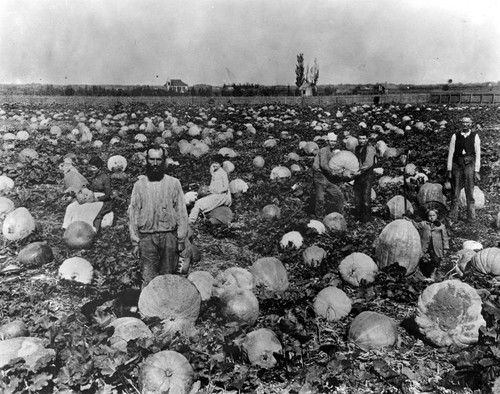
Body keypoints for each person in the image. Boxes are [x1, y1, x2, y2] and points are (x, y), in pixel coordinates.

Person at [129, 146, 189, 286]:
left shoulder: (174, 183)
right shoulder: (139, 185)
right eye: (152, 159)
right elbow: (133, 214)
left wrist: (181, 239)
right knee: (148, 278)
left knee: (167, 278)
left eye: (158, 159)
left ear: (164, 161)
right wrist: (135, 241)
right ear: (147, 161)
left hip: (169, 236)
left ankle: (166, 306)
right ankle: (148, 306)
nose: (155, 163)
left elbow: (181, 212)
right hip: (147, 238)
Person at [446, 116, 481, 222]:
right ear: (461, 124)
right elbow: (451, 153)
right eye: (463, 123)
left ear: (471, 124)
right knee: (455, 192)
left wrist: (476, 170)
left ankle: (471, 217)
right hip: (457, 164)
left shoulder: (475, 136)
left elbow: (478, 153)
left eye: (467, 123)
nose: (465, 124)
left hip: (469, 165)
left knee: (469, 192)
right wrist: (449, 169)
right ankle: (453, 216)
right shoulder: (455, 136)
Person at [406, 209, 449, 280]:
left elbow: (445, 238)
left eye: (433, 215)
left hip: (436, 246)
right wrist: (409, 220)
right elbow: (416, 225)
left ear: (437, 216)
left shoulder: (441, 226)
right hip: (425, 245)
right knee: (420, 258)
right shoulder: (424, 223)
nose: (431, 217)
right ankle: (420, 273)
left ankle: (433, 274)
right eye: (430, 215)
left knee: (436, 260)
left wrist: (445, 248)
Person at [188, 154, 232, 224]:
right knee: (199, 200)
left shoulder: (223, 173)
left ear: (220, 164)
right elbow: (213, 185)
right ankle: (196, 218)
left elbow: (225, 187)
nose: (214, 165)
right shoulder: (215, 172)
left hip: (220, 196)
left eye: (216, 163)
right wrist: (209, 189)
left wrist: (215, 191)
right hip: (214, 194)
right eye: (213, 162)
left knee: (198, 203)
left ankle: (190, 221)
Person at [312, 132, 346, 218]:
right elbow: (323, 165)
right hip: (319, 176)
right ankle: (319, 217)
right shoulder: (323, 150)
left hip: (327, 177)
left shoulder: (332, 152)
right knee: (320, 198)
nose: (333, 143)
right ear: (327, 141)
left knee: (339, 195)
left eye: (334, 141)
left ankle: (340, 215)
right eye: (331, 141)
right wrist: (332, 172)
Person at [352, 131, 377, 222]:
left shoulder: (370, 148)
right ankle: (358, 217)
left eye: (363, 139)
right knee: (357, 197)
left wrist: (360, 171)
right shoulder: (357, 148)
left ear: (367, 139)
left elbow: (368, 163)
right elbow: (355, 161)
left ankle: (366, 219)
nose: (361, 141)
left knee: (366, 198)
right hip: (358, 176)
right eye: (360, 138)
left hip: (367, 176)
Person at [87, 156, 113, 232]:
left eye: (94, 168)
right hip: (94, 198)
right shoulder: (93, 177)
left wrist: (97, 199)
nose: (91, 170)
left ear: (99, 168)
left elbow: (108, 195)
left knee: (96, 213)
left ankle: (95, 232)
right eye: (90, 167)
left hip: (104, 201)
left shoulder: (105, 178)